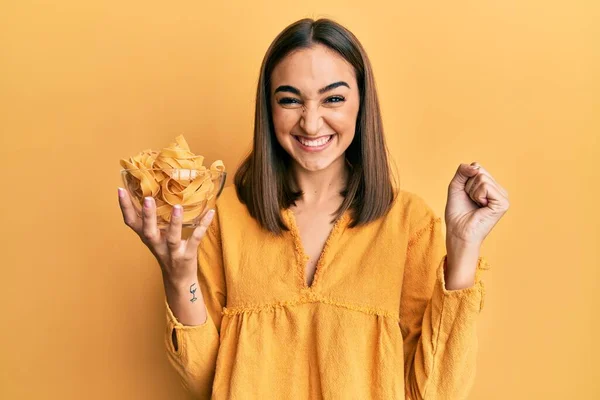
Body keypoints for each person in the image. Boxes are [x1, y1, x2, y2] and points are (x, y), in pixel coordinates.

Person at [118, 17, 509, 400]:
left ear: (362, 103)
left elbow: (435, 393)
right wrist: (178, 273)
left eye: (333, 98)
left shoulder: (410, 225)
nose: (310, 122)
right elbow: (209, 382)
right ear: (268, 110)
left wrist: (462, 248)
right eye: (290, 100)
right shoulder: (222, 219)